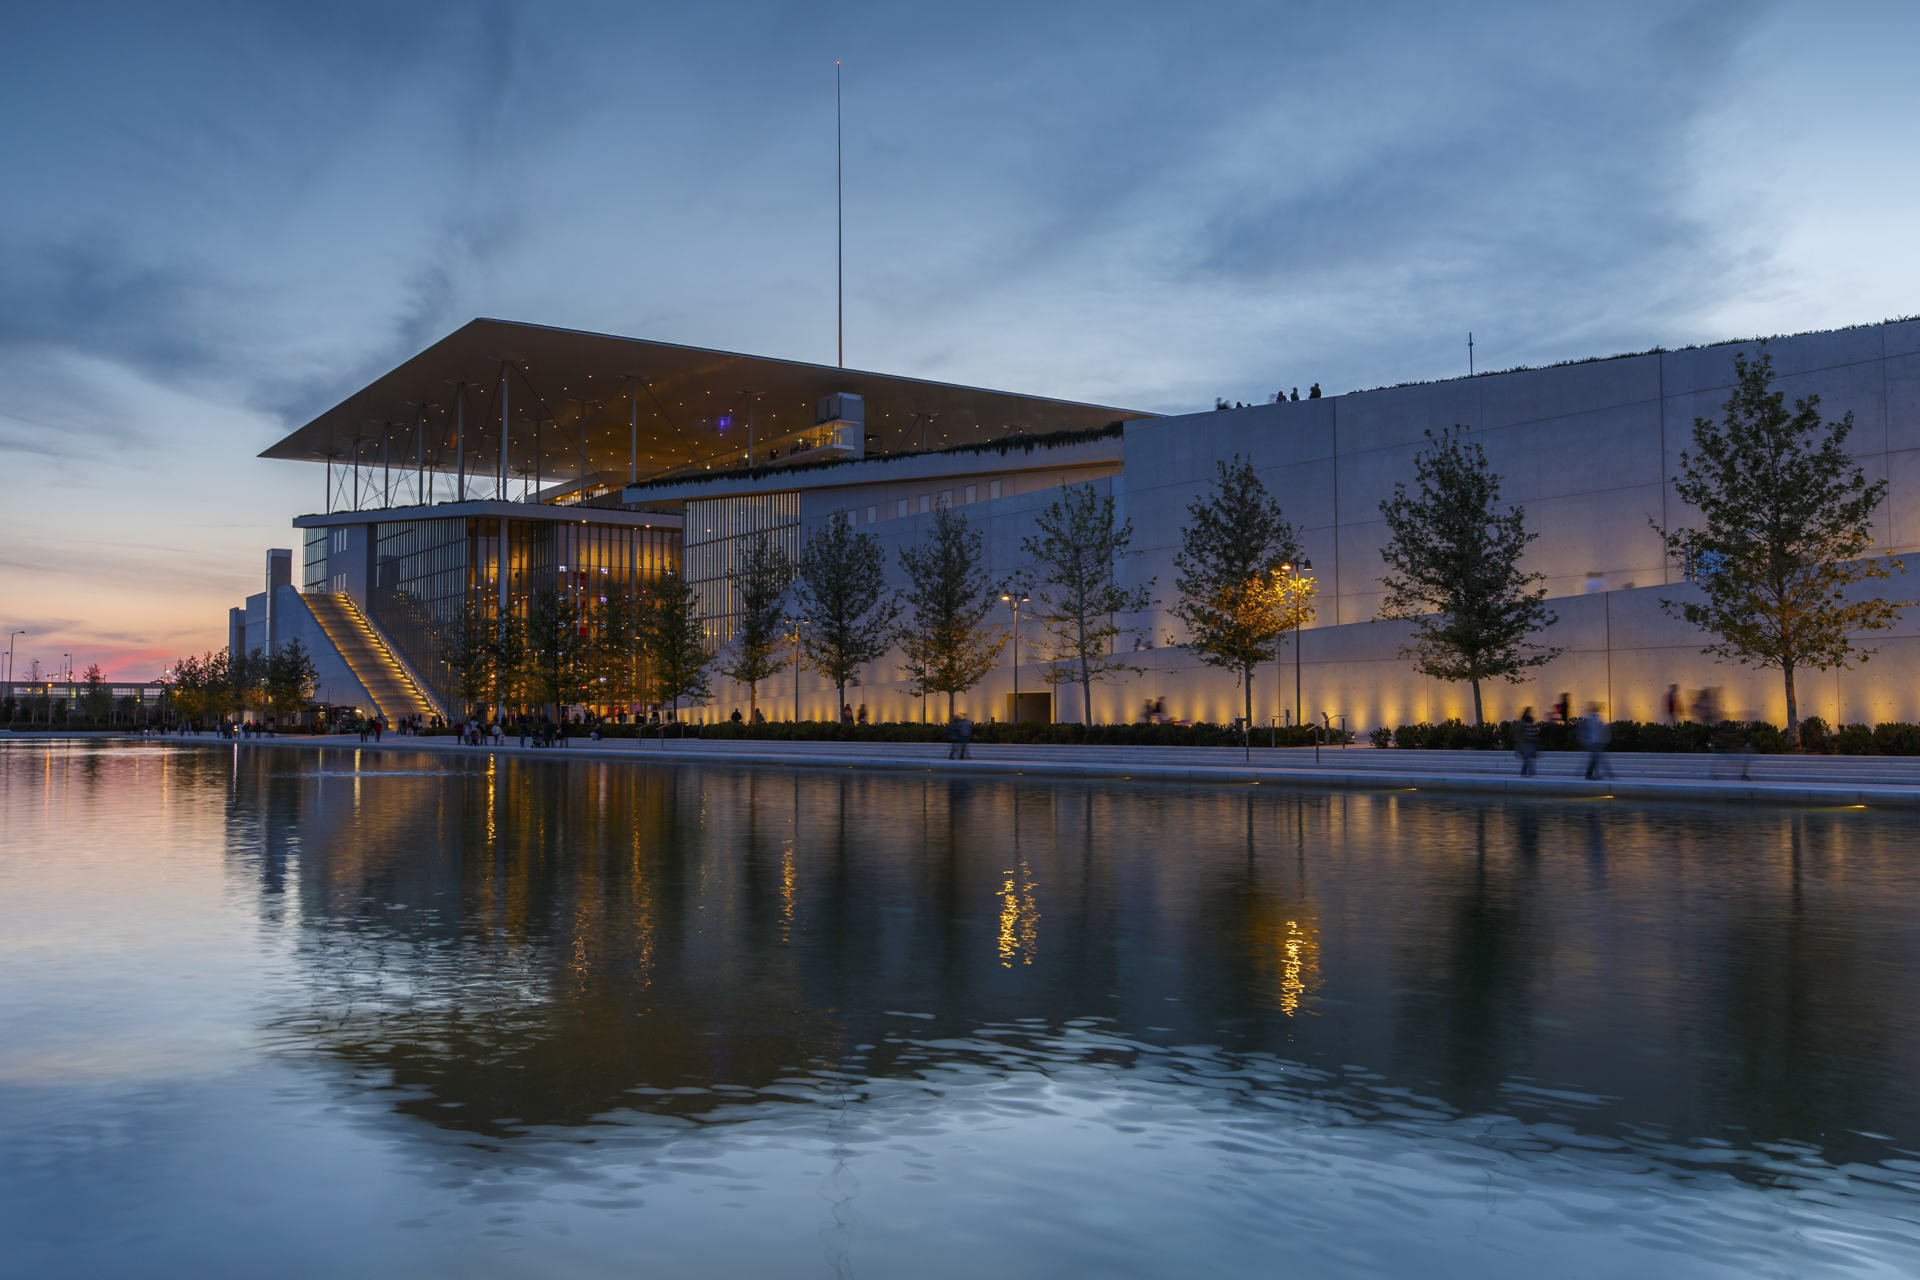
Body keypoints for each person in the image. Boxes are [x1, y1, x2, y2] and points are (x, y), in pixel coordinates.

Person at [1578, 703, 1613, 780]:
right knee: (1596, 759)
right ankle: (1591, 774)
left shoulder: (1593, 718)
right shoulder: (1594, 718)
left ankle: (1592, 774)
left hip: (1594, 742)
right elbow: (1594, 731)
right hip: (1594, 742)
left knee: (1595, 759)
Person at [1515, 707, 1540, 776]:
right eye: (1529, 711)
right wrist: (1519, 743)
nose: (1530, 712)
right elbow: (1520, 733)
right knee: (1527, 757)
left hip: (1531, 741)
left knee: (1530, 757)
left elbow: (1534, 731)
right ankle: (1527, 772)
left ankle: (1528, 772)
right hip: (1525, 742)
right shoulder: (1523, 722)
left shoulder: (1531, 721)